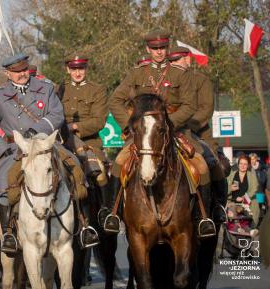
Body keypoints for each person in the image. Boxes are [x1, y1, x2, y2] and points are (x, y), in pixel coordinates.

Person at [105, 29, 216, 238]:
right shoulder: (137, 73)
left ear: (167, 48)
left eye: (162, 48)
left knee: (202, 163)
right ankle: (113, 213)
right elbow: (115, 100)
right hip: (143, 134)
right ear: (148, 49)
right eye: (154, 48)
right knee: (119, 161)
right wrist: (131, 125)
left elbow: (190, 104)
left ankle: (205, 216)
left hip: (176, 131)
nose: (158, 52)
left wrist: (166, 124)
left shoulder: (179, 74)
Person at [0, 52, 90, 252]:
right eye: (16, 71)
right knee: (3, 185)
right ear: (7, 73)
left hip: (46, 144)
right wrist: (2, 149)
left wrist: (39, 131)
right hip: (16, 150)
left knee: (75, 168)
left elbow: (57, 114)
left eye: (23, 69)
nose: (21, 74)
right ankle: (9, 234)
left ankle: (84, 225)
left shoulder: (45, 89)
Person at [168, 46, 227, 223]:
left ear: (188, 60)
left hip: (197, 132)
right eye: (171, 62)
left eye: (177, 60)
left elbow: (206, 109)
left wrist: (185, 123)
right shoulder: (165, 81)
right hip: (170, 131)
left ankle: (215, 207)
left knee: (212, 164)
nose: (174, 65)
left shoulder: (200, 80)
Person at [57, 54, 106, 246]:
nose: (78, 72)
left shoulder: (97, 90)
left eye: (81, 68)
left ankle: (102, 214)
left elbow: (99, 120)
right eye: (74, 69)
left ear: (86, 69)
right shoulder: (58, 90)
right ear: (68, 69)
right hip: (61, 141)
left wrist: (73, 127)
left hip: (88, 142)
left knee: (98, 173)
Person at [226, 155, 260, 231]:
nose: (243, 166)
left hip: (247, 203)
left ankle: (249, 228)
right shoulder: (231, 175)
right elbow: (224, 189)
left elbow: (255, 189)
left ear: (248, 166)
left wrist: (243, 198)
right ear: (238, 164)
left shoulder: (251, 176)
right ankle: (237, 228)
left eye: (245, 164)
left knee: (253, 206)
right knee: (231, 214)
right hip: (233, 202)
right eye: (241, 163)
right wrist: (230, 188)